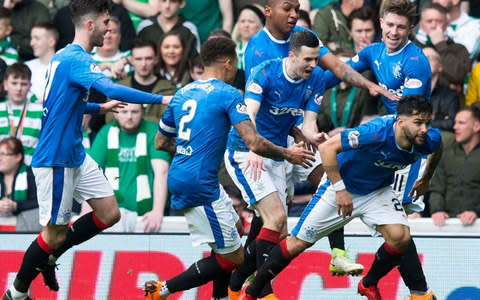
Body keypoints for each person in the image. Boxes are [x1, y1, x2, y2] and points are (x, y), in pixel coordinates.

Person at [2, 0, 170, 299]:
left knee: (109, 213)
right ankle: (17, 291)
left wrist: (97, 106)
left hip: (74, 153)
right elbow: (115, 88)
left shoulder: (64, 55)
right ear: (90, 25)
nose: (110, 29)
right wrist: (162, 100)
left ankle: (51, 257)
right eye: (106, 23)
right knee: (53, 233)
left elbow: (57, 102)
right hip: (56, 159)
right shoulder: (77, 59)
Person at [143, 36, 315, 300]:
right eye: (235, 64)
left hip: (192, 176)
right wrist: (287, 154)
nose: (236, 70)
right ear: (228, 63)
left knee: (235, 229)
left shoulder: (183, 93)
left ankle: (220, 296)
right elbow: (253, 142)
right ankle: (163, 289)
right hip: (199, 182)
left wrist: (191, 148)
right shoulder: (229, 94)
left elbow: (161, 141)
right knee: (234, 257)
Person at [238, 96, 442, 300]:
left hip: (377, 191)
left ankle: (368, 283)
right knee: (297, 244)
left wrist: (426, 179)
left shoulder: (428, 138)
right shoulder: (375, 132)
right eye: (418, 123)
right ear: (400, 121)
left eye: (427, 123)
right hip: (341, 186)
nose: (424, 129)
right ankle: (252, 292)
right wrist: (340, 189)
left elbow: (437, 148)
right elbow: (327, 148)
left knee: (401, 238)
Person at [324, 0, 432, 115]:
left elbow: (408, 116)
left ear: (410, 29)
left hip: (410, 128)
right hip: (390, 124)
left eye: (400, 27)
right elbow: (339, 72)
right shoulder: (372, 52)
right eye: (390, 25)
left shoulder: (415, 61)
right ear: (381, 23)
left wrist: (374, 126)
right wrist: (310, 88)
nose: (394, 32)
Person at [90, 103, 170, 232]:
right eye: (124, 112)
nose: (129, 117)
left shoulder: (154, 131)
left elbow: (162, 171)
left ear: (143, 113)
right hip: (109, 214)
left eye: (135, 112)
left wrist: (157, 211)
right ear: (115, 113)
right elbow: (91, 174)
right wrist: (86, 210)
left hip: (147, 216)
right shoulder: (106, 132)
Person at [429, 104, 480, 226]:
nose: (455, 127)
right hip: (447, 225)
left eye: (461, 123)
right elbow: (436, 189)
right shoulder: (446, 154)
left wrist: (476, 212)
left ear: (476, 126)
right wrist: (437, 210)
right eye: (455, 122)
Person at [106, 38, 176, 124]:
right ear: (131, 60)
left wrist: (132, 118)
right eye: (139, 59)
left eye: (148, 58)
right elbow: (110, 120)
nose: (143, 64)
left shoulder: (168, 89)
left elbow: (169, 122)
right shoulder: (119, 87)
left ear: (156, 60)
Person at [413, 3, 471, 92]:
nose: (433, 25)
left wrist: (441, 44)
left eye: (438, 21)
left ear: (446, 25)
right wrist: (447, 83)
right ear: (421, 25)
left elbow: (457, 76)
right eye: (429, 21)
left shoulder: (458, 49)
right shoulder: (412, 47)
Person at [0, 63, 42, 165]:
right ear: (5, 85)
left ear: (30, 86)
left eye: (23, 84)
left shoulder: (41, 112)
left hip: (30, 172)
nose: (19, 88)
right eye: (14, 83)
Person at [0, 137, 41, 232]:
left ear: (18, 157)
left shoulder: (30, 174)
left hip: (25, 224)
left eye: (3, 154)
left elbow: (39, 201)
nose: (0, 158)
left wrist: (16, 206)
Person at [423, 46, 459, 132]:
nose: (425, 60)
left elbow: (451, 123)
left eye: (430, 58)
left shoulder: (449, 95)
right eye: (422, 57)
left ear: (440, 67)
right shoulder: (407, 90)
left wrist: (424, 121)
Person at [25, 22, 58, 103]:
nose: (31, 43)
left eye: (37, 38)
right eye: (31, 39)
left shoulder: (64, 67)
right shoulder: (26, 67)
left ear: (51, 42)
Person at [231, 5, 265, 71]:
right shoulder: (231, 47)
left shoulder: (263, 48)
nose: (246, 25)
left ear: (259, 25)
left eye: (251, 21)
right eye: (242, 21)